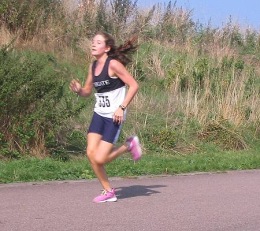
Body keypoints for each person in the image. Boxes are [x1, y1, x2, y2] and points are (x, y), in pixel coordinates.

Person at [69, 31, 142, 203]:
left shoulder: (114, 64)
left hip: (114, 116)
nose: (93, 44)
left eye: (98, 42)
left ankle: (128, 145)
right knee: (91, 153)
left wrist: (121, 108)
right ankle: (108, 191)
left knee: (100, 158)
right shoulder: (92, 66)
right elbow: (88, 91)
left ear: (107, 48)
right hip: (99, 114)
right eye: (93, 41)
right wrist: (79, 90)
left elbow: (133, 85)